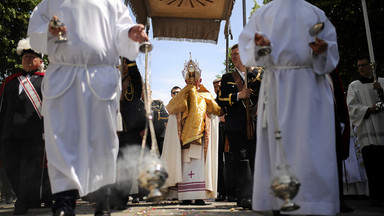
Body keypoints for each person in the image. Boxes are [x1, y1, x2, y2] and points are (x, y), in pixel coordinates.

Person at [27, 0, 149, 215]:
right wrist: (49, 30)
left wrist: (131, 33)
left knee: (102, 139)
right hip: (64, 74)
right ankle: (64, 203)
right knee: (62, 138)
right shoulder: (52, 1)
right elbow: (36, 33)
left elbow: (121, 30)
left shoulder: (112, 2)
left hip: (101, 75)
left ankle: (103, 202)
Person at [238, 0, 340, 215]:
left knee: (311, 148)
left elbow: (330, 47)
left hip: (310, 87)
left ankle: (314, 203)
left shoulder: (315, 12)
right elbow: (248, 49)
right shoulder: (264, 13)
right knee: (281, 147)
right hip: (278, 88)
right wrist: (261, 46)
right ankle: (279, 201)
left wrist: (322, 50)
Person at [0, 38, 52, 215]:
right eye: (25, 57)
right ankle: (24, 196)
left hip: (34, 134)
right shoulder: (10, 81)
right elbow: (2, 109)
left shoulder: (46, 81)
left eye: (31, 57)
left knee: (29, 170)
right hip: (10, 135)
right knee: (10, 168)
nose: (27, 60)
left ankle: (22, 203)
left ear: (40, 61)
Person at [161, 55, 221, 205]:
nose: (193, 80)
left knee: (199, 166)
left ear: (201, 79)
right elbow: (171, 109)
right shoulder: (181, 94)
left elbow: (217, 111)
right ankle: (185, 196)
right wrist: (186, 93)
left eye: (195, 78)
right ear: (185, 80)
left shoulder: (206, 95)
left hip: (200, 138)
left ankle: (199, 196)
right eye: (189, 78)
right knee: (184, 165)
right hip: (182, 139)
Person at [216, 44, 261, 209]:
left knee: (257, 158)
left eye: (237, 54)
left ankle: (259, 195)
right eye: (232, 54)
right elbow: (220, 100)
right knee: (241, 160)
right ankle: (246, 196)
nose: (234, 57)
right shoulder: (228, 77)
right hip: (235, 124)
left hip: (255, 123)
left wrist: (252, 68)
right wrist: (238, 95)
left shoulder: (257, 73)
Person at [346, 57, 384, 207]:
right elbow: (352, 107)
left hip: (381, 127)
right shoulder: (354, 86)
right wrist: (368, 109)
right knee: (372, 166)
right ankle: (375, 197)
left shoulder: (381, 82)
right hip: (367, 131)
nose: (361, 68)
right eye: (359, 66)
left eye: (364, 65)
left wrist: (381, 91)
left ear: (372, 66)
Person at [110, 58, 146, 210]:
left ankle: (122, 198)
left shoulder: (135, 81)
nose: (123, 66)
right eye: (121, 63)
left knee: (127, 165)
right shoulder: (113, 79)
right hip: (112, 126)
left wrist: (129, 55)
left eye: (125, 63)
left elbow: (134, 72)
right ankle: (111, 196)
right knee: (113, 164)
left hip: (130, 128)